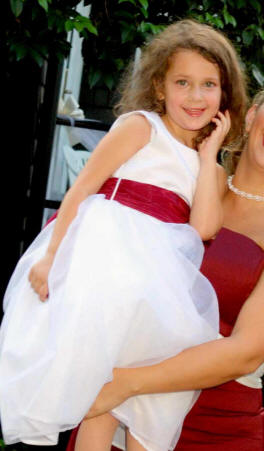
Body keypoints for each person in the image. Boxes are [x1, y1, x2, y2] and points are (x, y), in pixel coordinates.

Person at [75, 60, 264, 451]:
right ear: (252, 115)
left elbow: (244, 352)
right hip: (113, 411)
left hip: (210, 427)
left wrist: (125, 383)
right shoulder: (190, 180)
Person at [0, 19, 247, 451]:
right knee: (100, 395)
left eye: (209, 85)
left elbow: (204, 228)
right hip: (107, 265)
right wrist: (51, 255)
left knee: (149, 397)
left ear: (224, 95)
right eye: (183, 83)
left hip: (158, 285)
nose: (195, 97)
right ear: (159, 88)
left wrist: (209, 154)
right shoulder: (141, 127)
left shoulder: (210, 165)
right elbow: (83, 187)